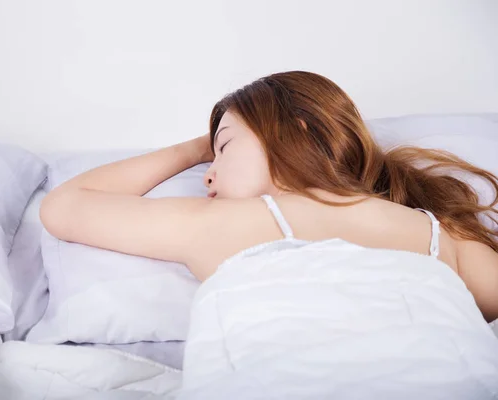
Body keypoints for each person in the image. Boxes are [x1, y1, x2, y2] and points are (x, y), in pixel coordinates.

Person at [39, 70, 498, 323]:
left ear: (293, 134)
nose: (208, 175)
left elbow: (65, 205)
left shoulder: (231, 225)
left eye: (223, 147)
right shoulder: (439, 232)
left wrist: (190, 148)